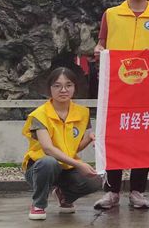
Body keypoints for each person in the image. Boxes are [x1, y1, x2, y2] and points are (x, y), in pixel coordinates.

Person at [93, 0, 149, 210]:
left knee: (142, 138)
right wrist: (98, 50)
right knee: (114, 137)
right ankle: (112, 191)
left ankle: (138, 191)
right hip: (116, 88)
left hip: (146, 89)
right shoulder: (111, 14)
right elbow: (101, 43)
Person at [22, 67, 101, 221]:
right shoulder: (39, 115)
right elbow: (48, 149)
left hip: (66, 167)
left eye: (68, 85)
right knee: (49, 162)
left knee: (95, 181)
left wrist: (89, 138)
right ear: (49, 89)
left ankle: (64, 196)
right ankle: (38, 204)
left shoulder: (83, 113)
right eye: (57, 86)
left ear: (75, 87)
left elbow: (74, 147)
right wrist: (79, 164)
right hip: (39, 168)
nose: (63, 90)